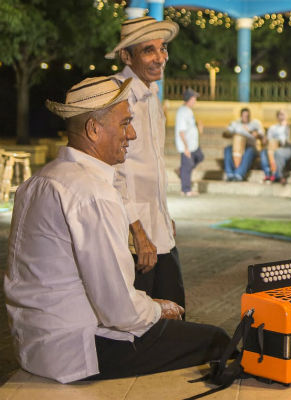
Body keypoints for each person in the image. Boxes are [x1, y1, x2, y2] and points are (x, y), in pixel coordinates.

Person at [4, 77, 229, 383]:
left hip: (34, 344)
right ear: (93, 129)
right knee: (217, 341)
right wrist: (157, 309)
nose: (132, 134)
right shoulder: (92, 191)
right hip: (77, 351)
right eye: (125, 124)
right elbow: (119, 310)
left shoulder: (38, 181)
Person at [107, 16, 186, 312]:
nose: (160, 58)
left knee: (175, 314)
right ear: (126, 56)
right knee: (144, 326)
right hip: (133, 238)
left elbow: (151, 166)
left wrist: (165, 215)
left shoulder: (151, 94)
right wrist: (138, 232)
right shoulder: (117, 96)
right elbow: (112, 173)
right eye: (148, 50)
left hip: (159, 231)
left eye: (162, 49)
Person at [224, 108, 269, 181]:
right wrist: (232, 133)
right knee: (227, 149)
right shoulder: (236, 123)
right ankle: (229, 173)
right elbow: (226, 133)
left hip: (251, 147)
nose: (245, 117)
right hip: (237, 146)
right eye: (244, 116)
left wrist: (254, 134)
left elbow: (262, 136)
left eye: (247, 116)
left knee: (249, 151)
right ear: (241, 116)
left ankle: (239, 174)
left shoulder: (255, 124)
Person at [175, 88, 204, 196]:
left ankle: (181, 171)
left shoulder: (188, 110)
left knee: (200, 156)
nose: (195, 100)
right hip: (186, 145)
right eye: (194, 98)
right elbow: (181, 131)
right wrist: (186, 148)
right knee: (187, 166)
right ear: (189, 99)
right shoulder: (182, 112)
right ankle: (186, 190)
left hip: (193, 145)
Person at [265, 110, 290, 182]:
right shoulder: (273, 128)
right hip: (273, 147)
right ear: (277, 117)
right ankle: (268, 174)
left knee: (278, 152)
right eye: (280, 115)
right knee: (264, 152)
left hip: (284, 147)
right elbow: (269, 139)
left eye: (283, 114)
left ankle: (276, 174)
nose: (282, 116)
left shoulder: (289, 127)